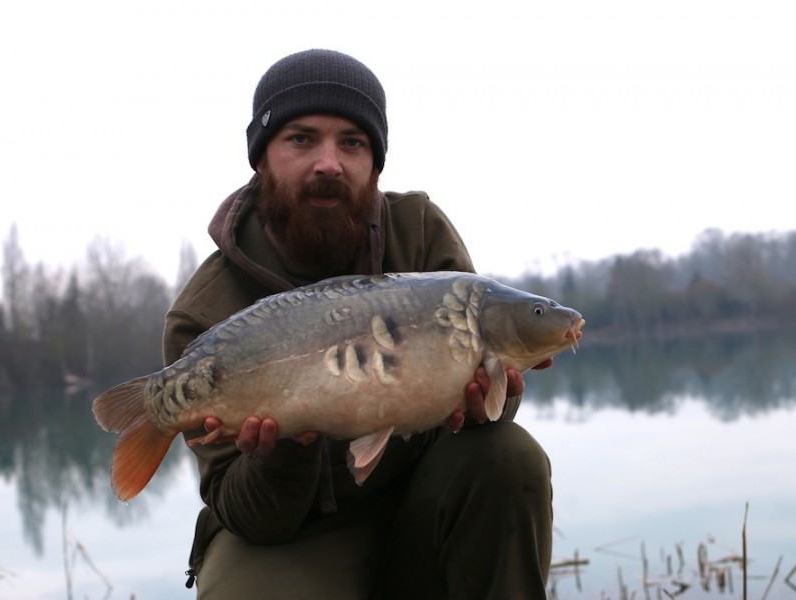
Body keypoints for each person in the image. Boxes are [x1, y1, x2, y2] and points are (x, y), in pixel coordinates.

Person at [164, 48, 554, 599]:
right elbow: (246, 512)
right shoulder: (204, 312)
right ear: (260, 159)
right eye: (302, 139)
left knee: (510, 457)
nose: (330, 163)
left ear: (375, 162)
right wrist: (286, 450)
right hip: (292, 535)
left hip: (419, 497)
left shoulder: (419, 232)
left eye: (352, 142)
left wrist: (493, 398)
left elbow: (487, 413)